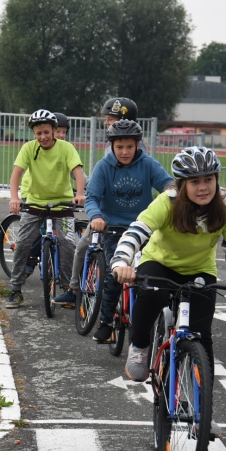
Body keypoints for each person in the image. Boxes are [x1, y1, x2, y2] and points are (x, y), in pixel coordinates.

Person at [111, 147, 226, 437]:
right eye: (194, 181)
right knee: (150, 293)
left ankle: (203, 413)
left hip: (200, 270)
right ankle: (140, 346)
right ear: (181, 184)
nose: (202, 187)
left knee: (203, 339)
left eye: (208, 179)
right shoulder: (166, 203)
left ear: (217, 179)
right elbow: (136, 232)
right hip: (160, 262)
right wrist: (121, 263)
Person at [73, 119, 173, 343]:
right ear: (112, 146)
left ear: (138, 145)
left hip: (145, 228)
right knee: (114, 273)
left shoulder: (148, 164)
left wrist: (175, 192)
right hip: (114, 229)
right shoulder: (103, 167)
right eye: (120, 147)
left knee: (152, 275)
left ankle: (151, 319)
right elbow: (92, 198)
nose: (125, 151)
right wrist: (97, 216)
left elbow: (168, 186)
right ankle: (106, 323)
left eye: (130, 146)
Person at [53, 97, 145, 308]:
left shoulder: (125, 146)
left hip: (116, 214)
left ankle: (74, 290)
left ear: (124, 120)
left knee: (84, 248)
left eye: (110, 119)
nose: (106, 123)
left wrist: (92, 191)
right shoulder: (127, 144)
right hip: (119, 212)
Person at [5, 109, 86, 309]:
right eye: (38, 133)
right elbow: (16, 175)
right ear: (34, 134)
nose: (43, 137)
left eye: (46, 132)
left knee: (68, 244)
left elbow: (78, 172)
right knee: (23, 242)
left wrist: (80, 194)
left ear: (54, 130)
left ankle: (69, 287)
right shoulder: (28, 148)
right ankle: (16, 289)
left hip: (63, 203)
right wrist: (15, 198)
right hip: (34, 203)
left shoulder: (66, 148)